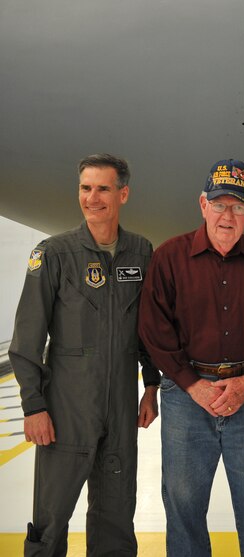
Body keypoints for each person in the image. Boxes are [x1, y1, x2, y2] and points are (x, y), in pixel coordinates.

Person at [139, 158, 244, 557]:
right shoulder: (170, 259)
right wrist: (192, 385)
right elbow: (154, 329)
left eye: (238, 206)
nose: (228, 215)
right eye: (220, 204)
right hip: (186, 398)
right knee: (184, 505)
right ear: (203, 204)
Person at [9, 153, 160, 556]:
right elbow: (27, 338)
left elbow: (150, 329)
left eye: (103, 189)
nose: (92, 198)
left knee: (115, 521)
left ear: (123, 194)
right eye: (85, 188)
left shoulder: (141, 253)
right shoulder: (55, 254)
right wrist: (33, 406)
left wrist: (151, 387)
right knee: (51, 522)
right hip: (65, 413)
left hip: (121, 412)